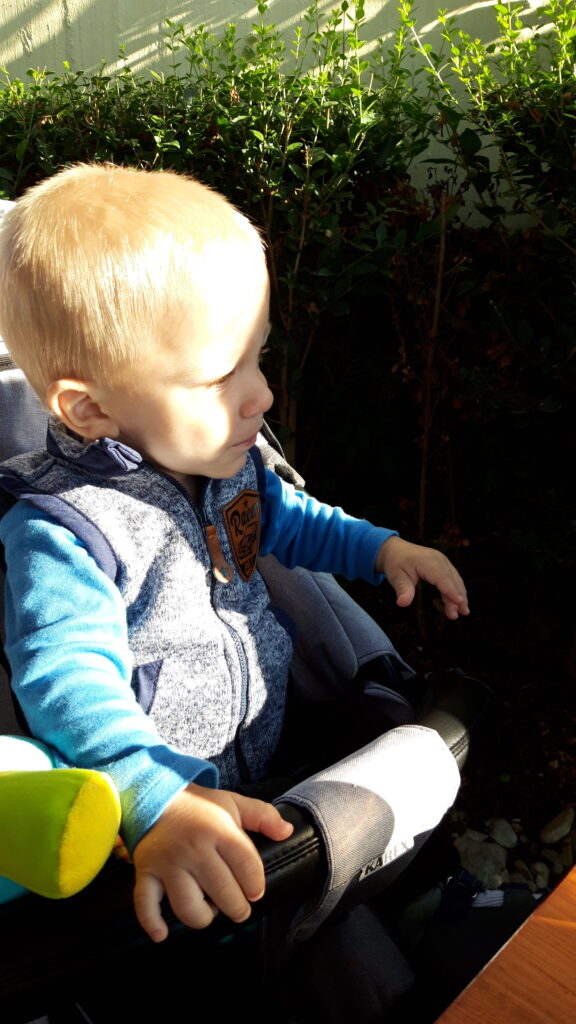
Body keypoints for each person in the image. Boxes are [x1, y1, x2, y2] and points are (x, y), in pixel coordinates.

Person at [0, 164, 469, 943]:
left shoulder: (228, 466)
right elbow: (66, 679)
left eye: (258, 357)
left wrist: (381, 548)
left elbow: (296, 523)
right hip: (157, 807)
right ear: (90, 408)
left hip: (265, 753)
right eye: (221, 376)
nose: (263, 395)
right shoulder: (65, 528)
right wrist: (155, 798)